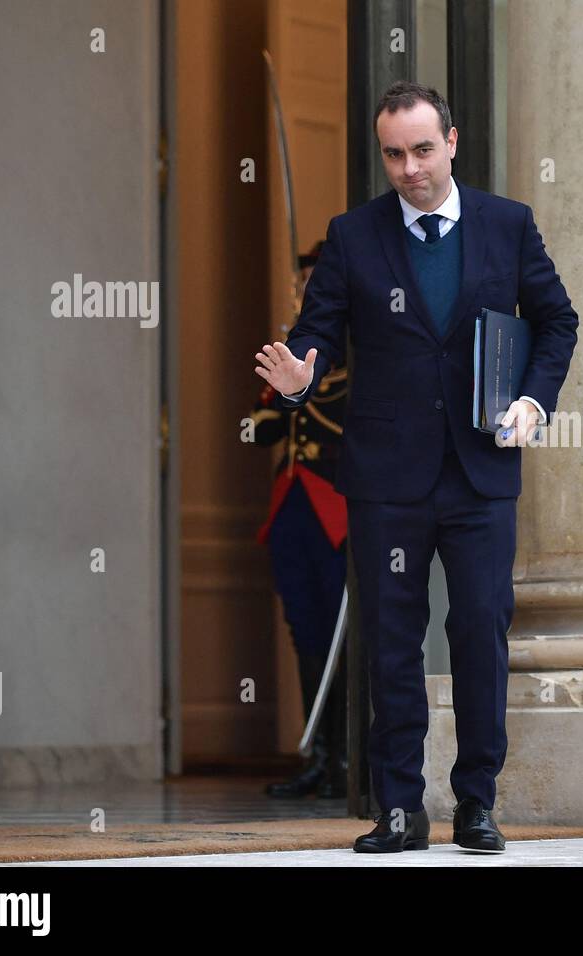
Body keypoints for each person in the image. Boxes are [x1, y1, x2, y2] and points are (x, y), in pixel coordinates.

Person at [252, 80, 578, 853]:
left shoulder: (507, 225)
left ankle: (477, 803)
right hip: (387, 480)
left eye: (423, 149)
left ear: (453, 143)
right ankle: (399, 809)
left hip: (478, 477)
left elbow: (557, 319)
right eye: (394, 154)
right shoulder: (354, 235)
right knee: (392, 642)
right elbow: (318, 329)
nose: (410, 168)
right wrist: (300, 379)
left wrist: (534, 402)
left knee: (479, 635)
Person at [251, 240, 351, 801]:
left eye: (319, 281)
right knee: (305, 631)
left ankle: (346, 758)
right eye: (306, 281)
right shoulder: (293, 350)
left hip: (338, 508)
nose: (310, 290)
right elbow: (262, 428)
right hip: (292, 507)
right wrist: (281, 381)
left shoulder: (352, 355)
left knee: (343, 639)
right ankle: (319, 756)